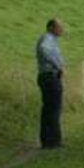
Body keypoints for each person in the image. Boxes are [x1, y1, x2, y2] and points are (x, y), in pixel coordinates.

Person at [35, 18, 65, 149]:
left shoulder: (50, 39)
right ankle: (53, 141)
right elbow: (44, 50)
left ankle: (47, 140)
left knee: (48, 109)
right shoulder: (48, 38)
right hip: (50, 76)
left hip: (47, 76)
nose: (62, 29)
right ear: (51, 28)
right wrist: (58, 65)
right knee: (53, 109)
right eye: (59, 27)